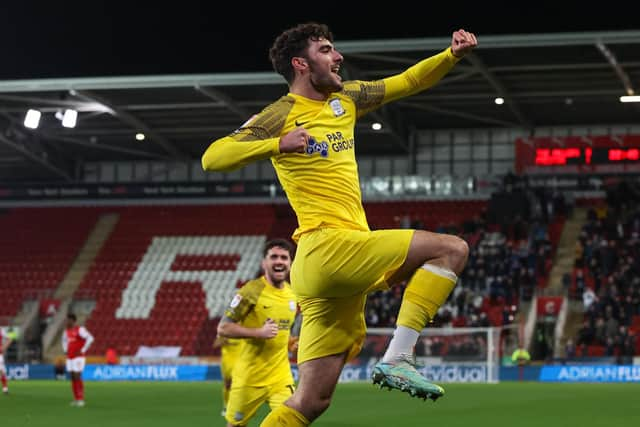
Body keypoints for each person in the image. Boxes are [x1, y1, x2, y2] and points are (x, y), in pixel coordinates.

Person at [201, 23, 476, 426]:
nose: (338, 57)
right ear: (301, 64)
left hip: (322, 271)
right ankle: (399, 356)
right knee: (452, 249)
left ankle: (396, 357)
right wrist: (278, 144)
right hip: (327, 246)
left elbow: (406, 81)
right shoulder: (280, 115)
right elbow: (213, 157)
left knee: (310, 402)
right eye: (327, 50)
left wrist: (450, 56)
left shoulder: (345, 98)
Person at [217, 239, 298, 427]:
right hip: (250, 378)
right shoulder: (251, 291)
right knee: (235, 425)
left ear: (290, 263)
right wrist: (258, 333)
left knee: (291, 421)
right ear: (264, 262)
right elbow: (223, 327)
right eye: (274, 257)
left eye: (284, 258)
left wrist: (291, 342)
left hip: (281, 377)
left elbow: (282, 332)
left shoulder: (292, 294)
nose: (279, 261)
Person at [62, 313, 94, 407]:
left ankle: (81, 399)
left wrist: (83, 350)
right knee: (72, 377)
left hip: (78, 357)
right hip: (70, 357)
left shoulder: (80, 330)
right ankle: (76, 399)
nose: (66, 322)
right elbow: (64, 341)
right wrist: (65, 350)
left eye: (68, 320)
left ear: (73, 321)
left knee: (77, 376)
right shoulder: (66, 331)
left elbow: (90, 338)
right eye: (66, 320)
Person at [213, 335, 243, 417]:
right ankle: (226, 406)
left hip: (241, 361)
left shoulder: (245, 329)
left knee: (241, 385)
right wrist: (223, 340)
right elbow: (215, 344)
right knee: (228, 385)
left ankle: (240, 408)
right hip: (228, 362)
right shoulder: (225, 329)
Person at [1, 327, 17, 394]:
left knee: (3, 372)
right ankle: (5, 389)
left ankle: (5, 389)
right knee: (2, 372)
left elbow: (9, 338)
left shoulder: (1, 332)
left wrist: (5, 346)